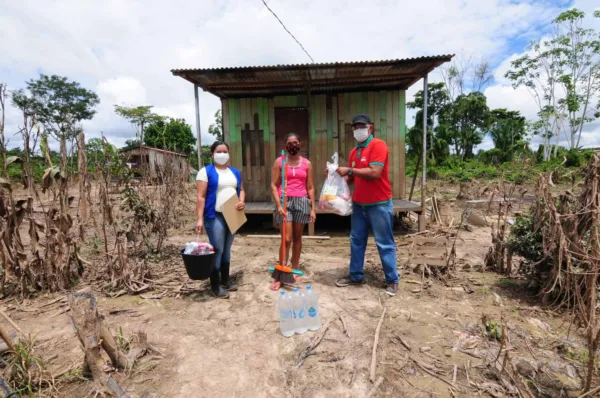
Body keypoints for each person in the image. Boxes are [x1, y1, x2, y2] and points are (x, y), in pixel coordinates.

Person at [333, 113, 399, 296]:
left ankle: (392, 280)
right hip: (359, 204)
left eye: (361, 126)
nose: (358, 129)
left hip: (379, 204)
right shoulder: (354, 152)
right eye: (355, 127)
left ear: (370, 127)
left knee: (384, 242)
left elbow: (375, 172)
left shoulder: (379, 145)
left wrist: (350, 169)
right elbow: (352, 178)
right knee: (356, 241)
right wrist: (336, 176)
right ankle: (355, 276)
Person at [196, 141, 246, 298]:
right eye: (219, 151)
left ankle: (225, 279)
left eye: (225, 151)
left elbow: (242, 190)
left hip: (232, 214)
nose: (222, 154)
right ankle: (215, 285)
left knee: (227, 249)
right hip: (214, 215)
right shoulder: (205, 172)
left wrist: (241, 201)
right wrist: (199, 219)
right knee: (217, 249)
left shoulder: (235, 172)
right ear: (212, 154)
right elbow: (201, 197)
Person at [270, 132, 316, 290]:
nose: (293, 145)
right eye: (289, 143)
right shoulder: (280, 162)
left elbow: (310, 187)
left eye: (295, 142)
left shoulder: (307, 164)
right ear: (285, 146)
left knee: (298, 237)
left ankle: (294, 270)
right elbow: (274, 185)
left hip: (302, 202)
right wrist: (278, 205)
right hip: (285, 202)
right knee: (286, 238)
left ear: (300, 144)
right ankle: (282, 271)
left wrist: (313, 208)